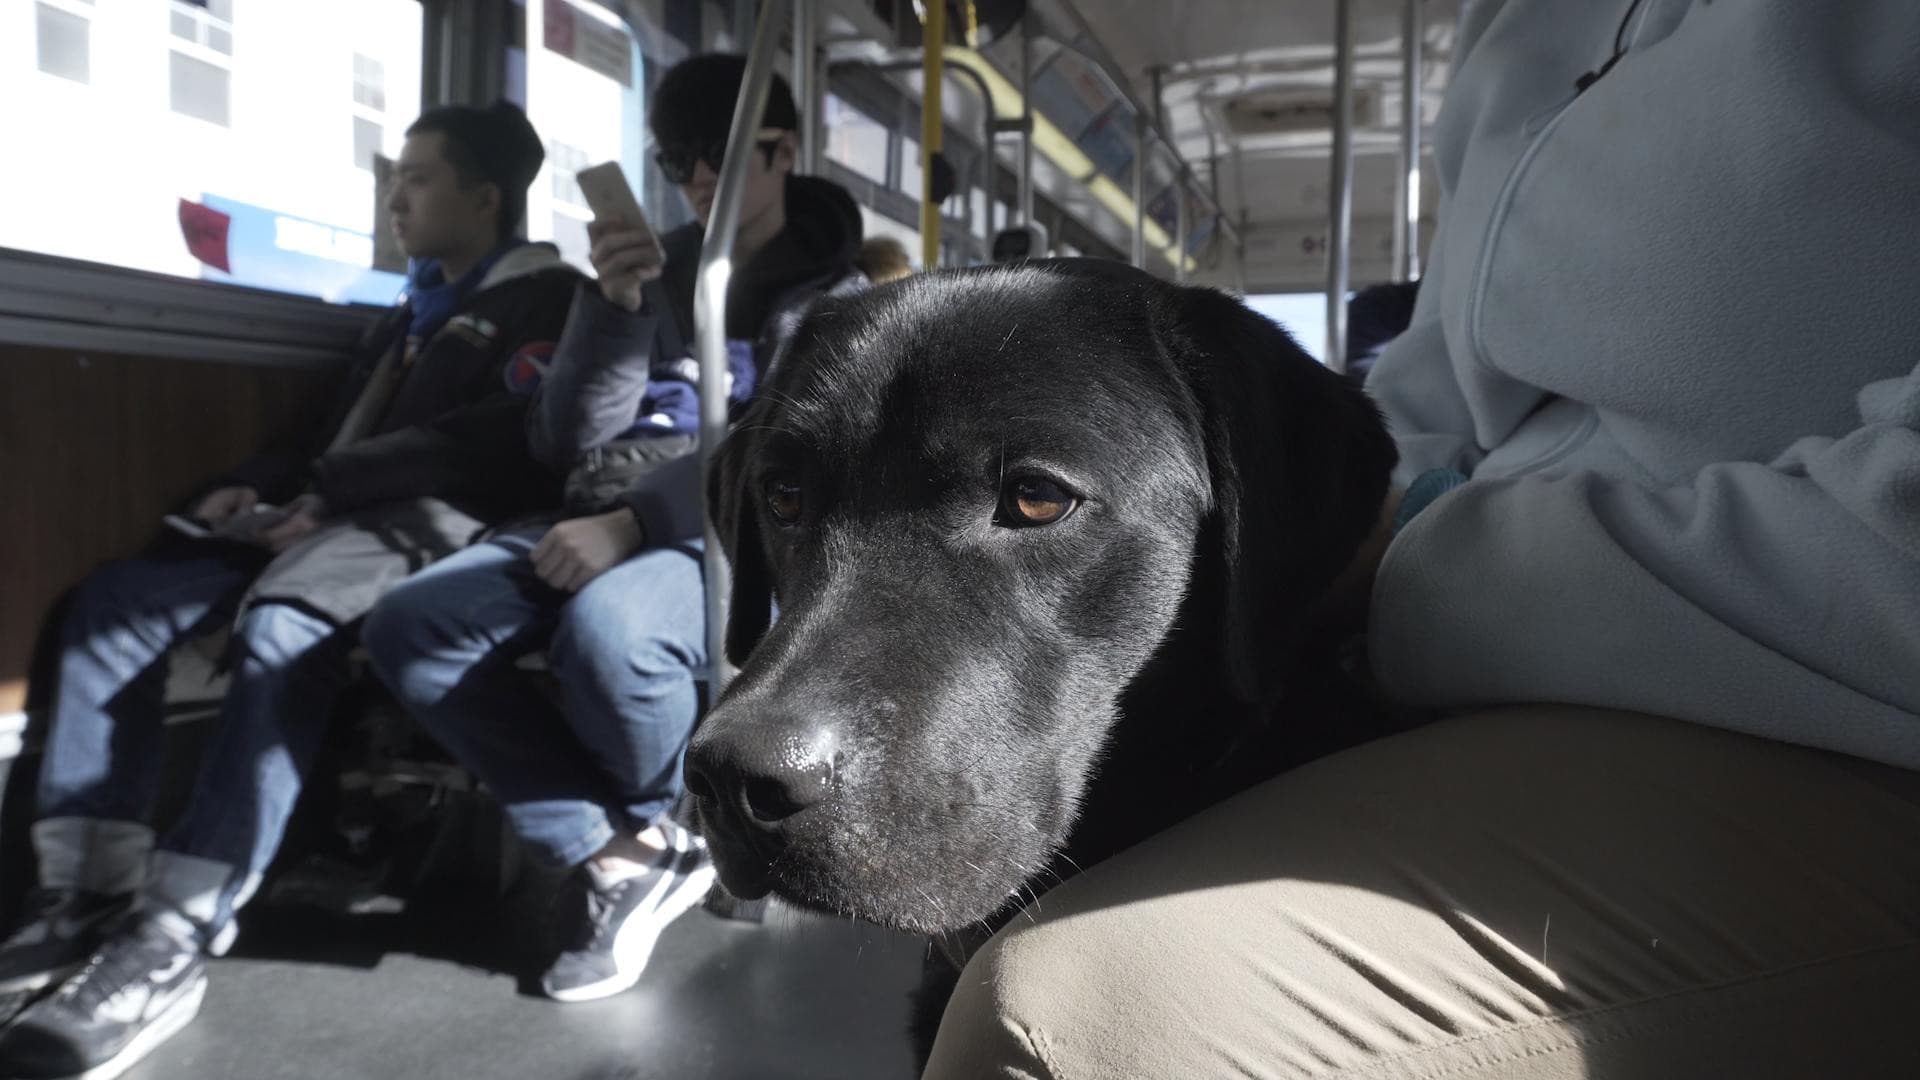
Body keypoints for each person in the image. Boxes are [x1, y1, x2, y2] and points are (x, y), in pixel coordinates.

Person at [924, 1, 1920, 1076]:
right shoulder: (1529, 20)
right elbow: (1434, 384)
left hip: (1822, 716)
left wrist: (1434, 564)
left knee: (1069, 1017)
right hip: (1463, 648)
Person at [0, 101, 582, 1078]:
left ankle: (172, 935)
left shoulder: (544, 301)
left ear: (486, 197)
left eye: (420, 177)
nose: (396, 194)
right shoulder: (409, 312)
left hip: (429, 522)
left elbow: (502, 442)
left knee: (284, 627)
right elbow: (322, 436)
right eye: (395, 174)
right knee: (111, 606)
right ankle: (87, 891)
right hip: (323, 512)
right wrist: (261, 488)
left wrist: (328, 495)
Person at [360, 54, 867, 1004]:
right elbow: (564, 438)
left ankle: (665, 819)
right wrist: (618, 310)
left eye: (719, 154)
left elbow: (787, 456)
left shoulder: (835, 304)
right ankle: (623, 847)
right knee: (410, 624)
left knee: (615, 636)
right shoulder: (657, 274)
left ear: (783, 150)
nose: (698, 179)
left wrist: (638, 523)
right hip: (592, 504)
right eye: (679, 160)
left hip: (725, 526)